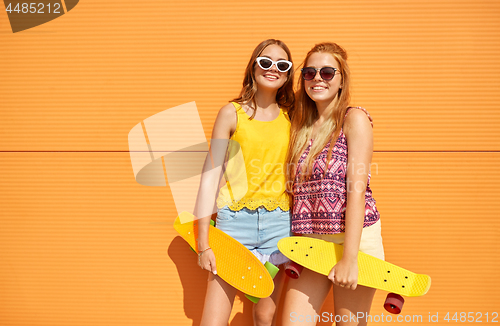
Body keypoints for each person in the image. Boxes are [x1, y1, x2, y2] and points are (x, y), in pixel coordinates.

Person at [193, 39, 295, 326]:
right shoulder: (231, 113)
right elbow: (209, 176)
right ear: (253, 66)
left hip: (280, 225)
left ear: (287, 76)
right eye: (265, 62)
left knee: (265, 317)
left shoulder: (293, 118)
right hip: (234, 224)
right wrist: (203, 243)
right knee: (213, 321)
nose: (273, 68)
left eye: (282, 65)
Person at [282, 42, 384, 326]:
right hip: (315, 242)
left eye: (328, 72)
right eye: (310, 72)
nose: (318, 78)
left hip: (356, 241)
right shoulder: (298, 125)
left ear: (341, 79)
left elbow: (357, 191)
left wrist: (350, 259)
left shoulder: (354, 120)